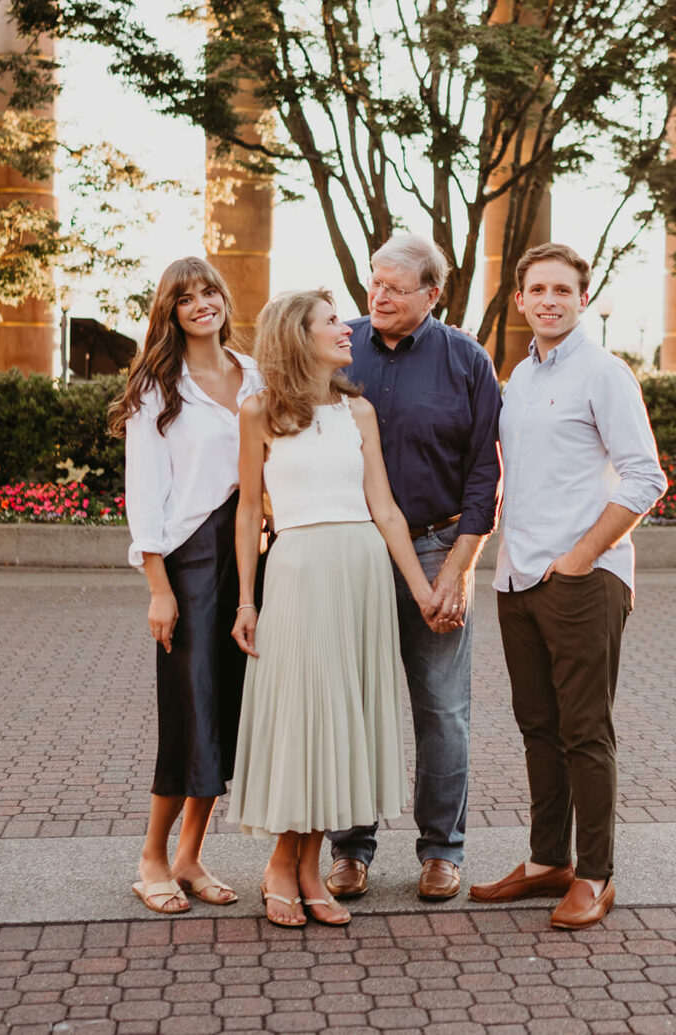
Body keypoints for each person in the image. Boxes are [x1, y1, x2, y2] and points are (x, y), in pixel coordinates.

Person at [468, 242, 667, 930]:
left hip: (581, 578)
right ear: (519, 299)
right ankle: (547, 858)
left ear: (582, 298)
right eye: (536, 289)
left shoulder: (604, 373)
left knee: (586, 730)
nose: (549, 299)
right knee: (538, 727)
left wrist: (583, 556)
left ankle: (595, 873)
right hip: (518, 577)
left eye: (562, 288)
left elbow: (646, 476)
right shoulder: (518, 378)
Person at [228, 289, 427, 927]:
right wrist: (245, 599)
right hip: (298, 571)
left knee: (338, 720)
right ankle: (281, 867)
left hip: (361, 571)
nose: (348, 329)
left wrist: (422, 592)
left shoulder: (359, 412)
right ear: (297, 336)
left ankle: (308, 868)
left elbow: (386, 509)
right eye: (332, 321)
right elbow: (247, 513)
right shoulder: (257, 412)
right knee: (304, 717)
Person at [326, 235, 501, 903]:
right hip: (353, 552)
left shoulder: (466, 359)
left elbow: (487, 471)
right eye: (375, 281)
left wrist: (458, 568)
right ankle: (349, 847)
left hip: (436, 548)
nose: (379, 295)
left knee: (442, 710)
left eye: (397, 286)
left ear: (433, 294)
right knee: (353, 703)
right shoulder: (338, 345)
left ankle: (441, 850)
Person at [109, 257, 263, 915]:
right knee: (187, 715)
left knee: (228, 714)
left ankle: (191, 854)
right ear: (170, 312)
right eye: (186, 297)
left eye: (209, 292)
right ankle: (151, 856)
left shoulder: (253, 371)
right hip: (190, 563)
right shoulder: (156, 386)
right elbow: (143, 493)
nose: (202, 304)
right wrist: (158, 587)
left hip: (251, 558)